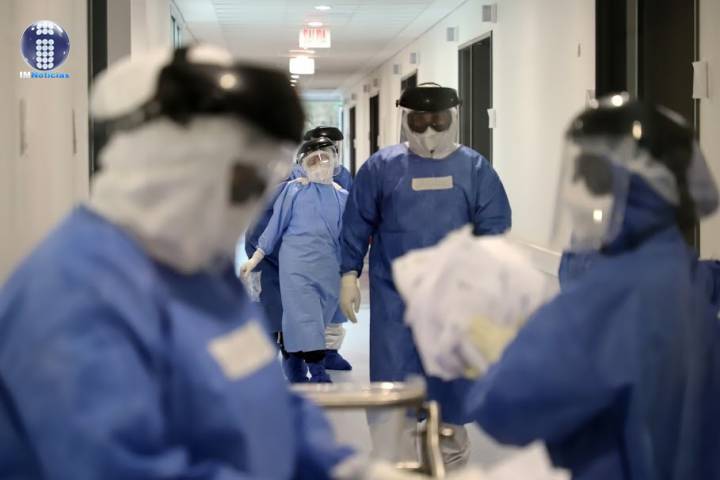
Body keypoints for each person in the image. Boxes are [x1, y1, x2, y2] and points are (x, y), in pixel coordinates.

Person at [0, 45, 357, 479]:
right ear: (163, 164)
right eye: (238, 182)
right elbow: (120, 467)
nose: (241, 207)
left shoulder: (202, 276)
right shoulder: (69, 297)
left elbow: (264, 402)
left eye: (256, 186)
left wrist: (342, 469)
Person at [455, 95, 720, 479]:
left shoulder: (615, 294)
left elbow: (505, 407)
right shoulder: (681, 274)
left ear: (641, 188)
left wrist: (497, 353)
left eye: (591, 176)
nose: (573, 193)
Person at [339, 83, 512, 469]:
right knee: (394, 386)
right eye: (419, 121)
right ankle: (393, 467)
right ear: (405, 120)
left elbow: (494, 228)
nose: (429, 131)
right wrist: (348, 272)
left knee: (450, 385)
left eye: (438, 120)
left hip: (455, 300)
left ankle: (450, 465)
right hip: (394, 300)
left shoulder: (475, 169)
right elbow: (356, 222)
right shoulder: (381, 168)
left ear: (454, 118)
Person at [243, 126, 354, 379]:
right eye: (315, 155)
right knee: (280, 310)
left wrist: (349, 268)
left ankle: (325, 353)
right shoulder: (289, 184)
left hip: (322, 260)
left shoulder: (341, 184)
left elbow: (347, 223)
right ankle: (290, 360)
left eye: (328, 153)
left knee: (323, 310)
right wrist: (259, 255)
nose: (322, 162)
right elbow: (268, 222)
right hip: (278, 257)